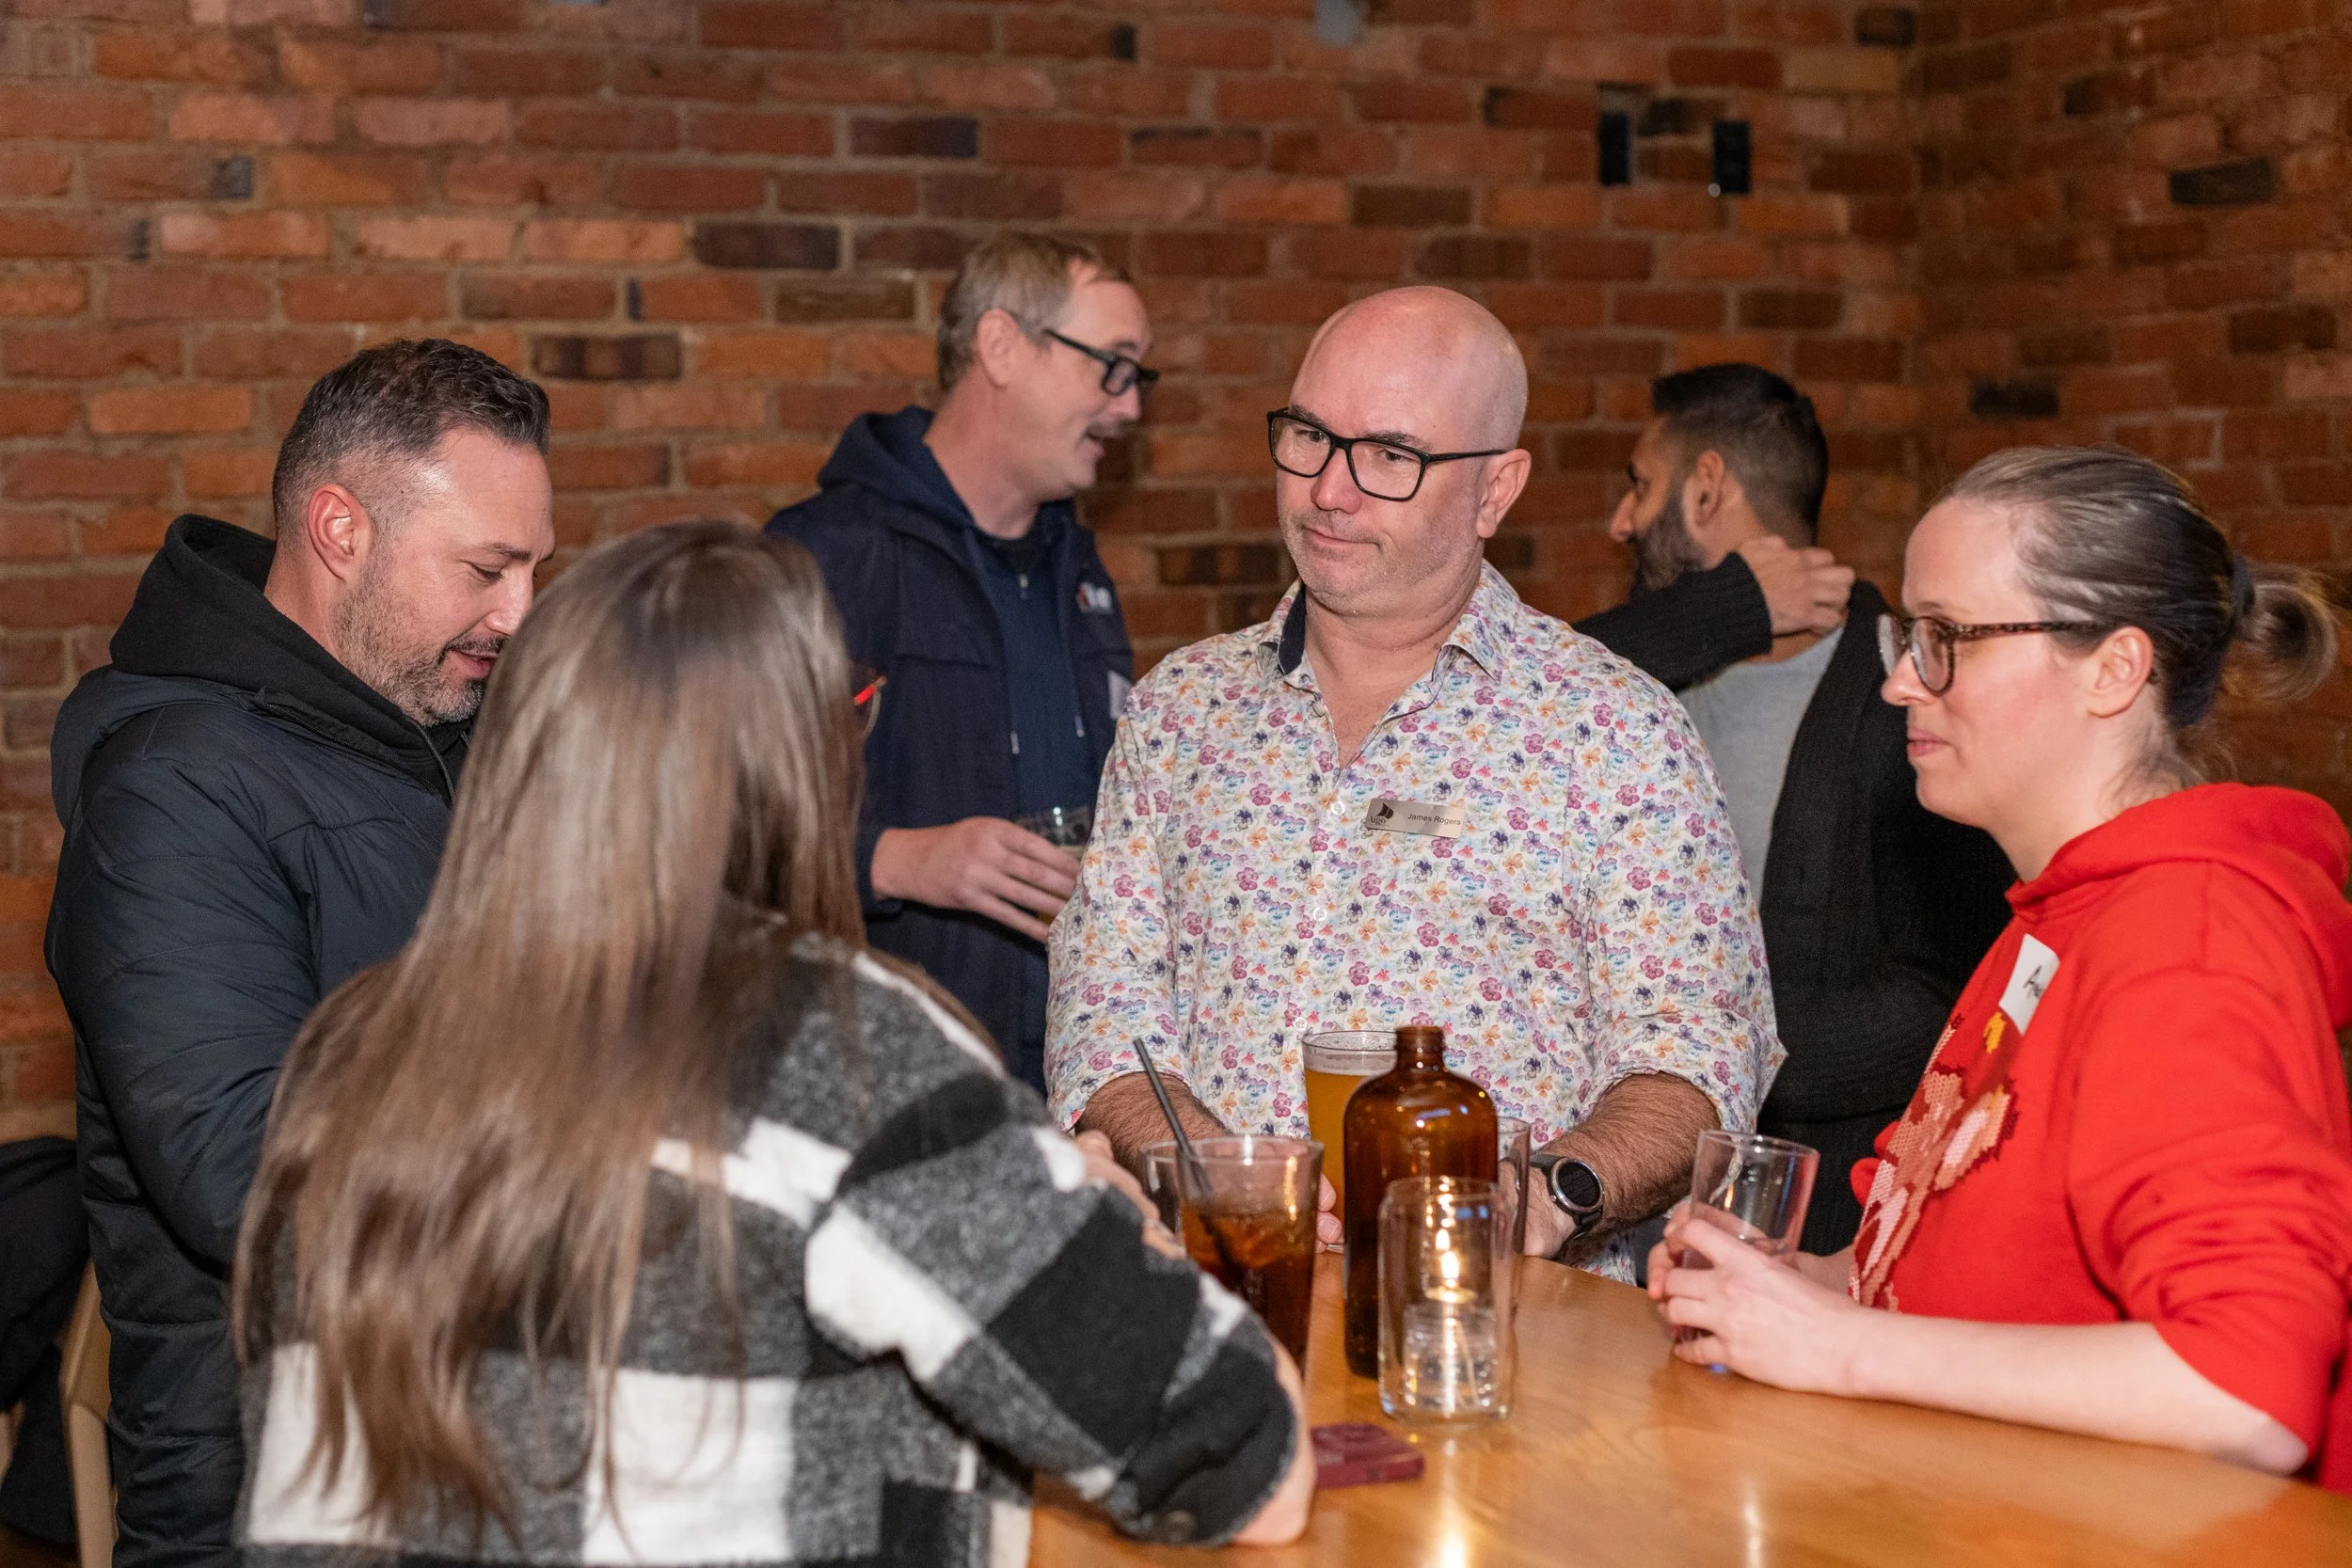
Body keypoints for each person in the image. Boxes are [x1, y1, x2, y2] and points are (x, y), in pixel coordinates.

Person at [230, 523, 1313, 1565]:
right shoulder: (841, 1050)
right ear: (798, 763)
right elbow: (1246, 1460)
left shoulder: (353, 1045)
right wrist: (1098, 1224)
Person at [1652, 445, 2352, 1487]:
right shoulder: (2051, 920)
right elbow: (1962, 1270)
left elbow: (2245, 1391)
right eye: (1908, 636)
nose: (1899, 680)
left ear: (2112, 669)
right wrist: (1798, 1287)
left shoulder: (2189, 939)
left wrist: (1836, 1345)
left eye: (1947, 639)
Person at [1046, 286, 1780, 1280]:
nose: (1328, 490)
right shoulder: (1180, 711)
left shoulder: (1614, 730)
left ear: (1495, 490)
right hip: (1216, 1314)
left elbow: (1697, 1057)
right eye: (1309, 436)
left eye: (1391, 455)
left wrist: (1544, 1192)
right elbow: (1103, 1016)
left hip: (1496, 1322)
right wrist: (1227, 1178)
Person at [44, 339, 554, 1568]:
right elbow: (250, 1177)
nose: (518, 613)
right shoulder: (174, 789)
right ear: (339, 529)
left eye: (535, 568)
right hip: (274, 1493)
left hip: (471, 1440)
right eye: (486, 569)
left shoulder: (442, 728)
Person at [1603, 364, 2012, 1252]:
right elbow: (1502, 697)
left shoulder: (1901, 700)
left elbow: (1934, 998)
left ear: (1707, 487)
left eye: (1641, 483)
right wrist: (1722, 612)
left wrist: (1691, 1064)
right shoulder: (1638, 683)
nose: (1621, 520)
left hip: (1805, 1236)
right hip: (1608, 1207)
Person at [770, 232, 1145, 1093]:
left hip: (1074, 1083)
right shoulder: (824, 558)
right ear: (1001, 346)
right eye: (1112, 367)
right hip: (886, 1088)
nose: (1129, 407)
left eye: (1137, 376)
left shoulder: (1078, 569)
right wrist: (894, 861)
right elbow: (712, 837)